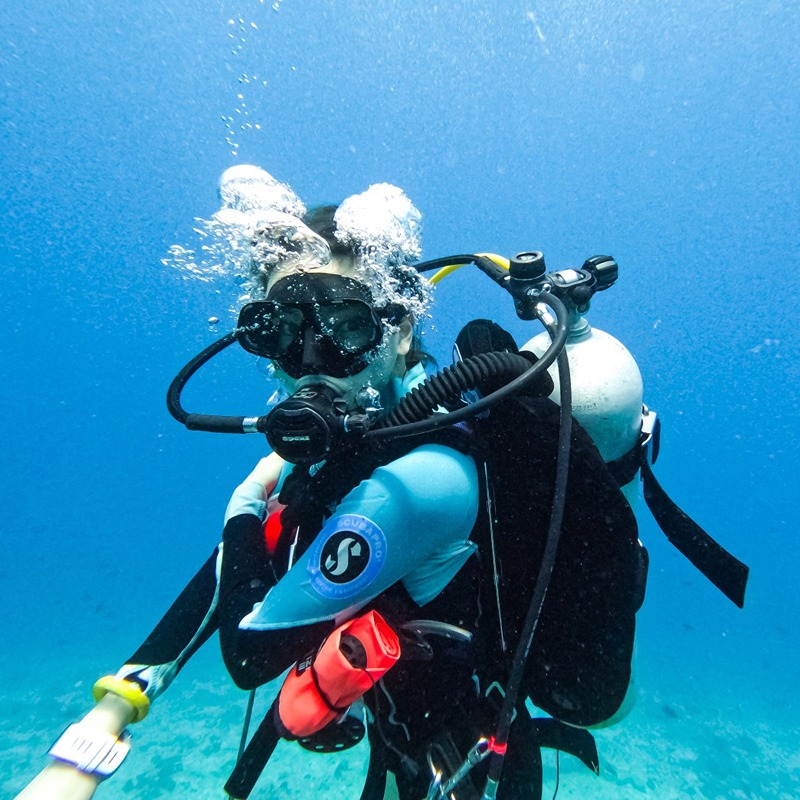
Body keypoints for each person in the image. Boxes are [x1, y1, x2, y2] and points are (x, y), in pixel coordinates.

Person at [17, 171, 647, 800]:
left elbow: (250, 653)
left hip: (476, 767)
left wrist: (242, 503)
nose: (310, 360)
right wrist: (116, 705)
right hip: (406, 734)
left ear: (397, 331)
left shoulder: (424, 477)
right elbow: (247, 562)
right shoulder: (354, 437)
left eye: (345, 326)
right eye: (281, 329)